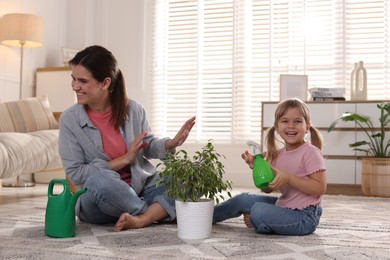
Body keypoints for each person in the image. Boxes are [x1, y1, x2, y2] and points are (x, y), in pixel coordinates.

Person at [58, 45, 196, 232]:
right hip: (98, 201)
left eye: (82, 81)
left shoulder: (134, 109)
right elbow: (76, 174)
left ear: (105, 83)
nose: (75, 86)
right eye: (73, 79)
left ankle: (142, 218)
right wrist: (123, 160)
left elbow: (146, 145)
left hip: (139, 189)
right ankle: (155, 213)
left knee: (191, 174)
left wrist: (170, 144)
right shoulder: (69, 120)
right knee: (101, 179)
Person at [213, 98, 327, 236]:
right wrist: (257, 167)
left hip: (305, 216)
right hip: (285, 205)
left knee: (258, 210)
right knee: (243, 198)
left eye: (297, 121)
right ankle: (205, 216)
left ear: (307, 127)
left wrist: (289, 179)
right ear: (277, 127)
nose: (291, 126)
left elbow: (320, 188)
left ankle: (258, 220)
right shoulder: (277, 155)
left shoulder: (311, 152)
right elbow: (267, 188)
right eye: (285, 121)